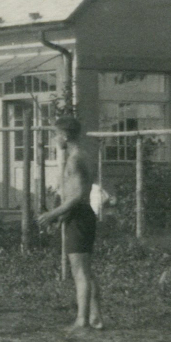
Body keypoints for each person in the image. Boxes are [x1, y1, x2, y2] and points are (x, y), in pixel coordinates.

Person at [37, 115, 103, 330]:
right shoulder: (82, 155)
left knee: (80, 272)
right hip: (80, 215)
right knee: (86, 269)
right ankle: (95, 316)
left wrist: (52, 214)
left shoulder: (75, 159)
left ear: (64, 136)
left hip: (79, 216)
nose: (55, 138)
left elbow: (77, 196)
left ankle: (82, 320)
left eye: (56, 134)